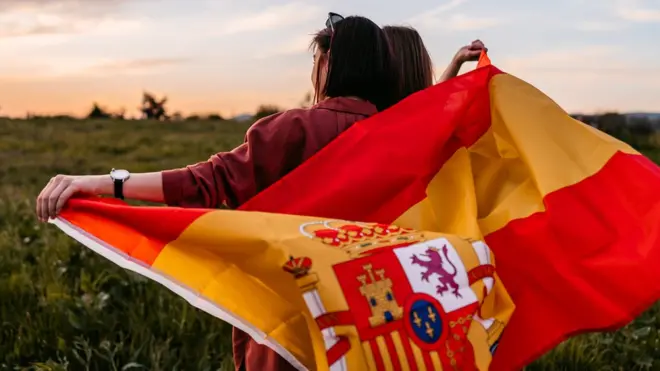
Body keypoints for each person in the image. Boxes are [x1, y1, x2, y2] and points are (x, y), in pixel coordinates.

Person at [36, 13, 398, 371]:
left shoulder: (291, 130)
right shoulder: (403, 138)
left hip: (290, 325)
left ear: (328, 64)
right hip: (382, 324)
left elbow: (203, 182)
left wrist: (104, 183)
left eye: (316, 61)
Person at [383, 25, 487, 102]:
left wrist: (457, 61)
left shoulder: (375, 113)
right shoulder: (422, 119)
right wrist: (456, 61)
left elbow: (433, 100)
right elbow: (433, 100)